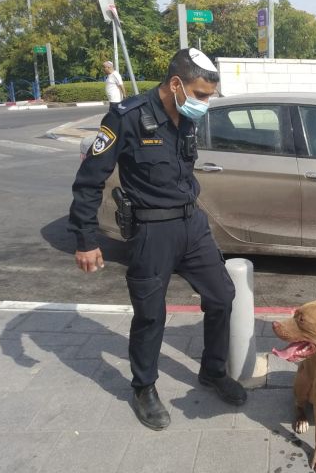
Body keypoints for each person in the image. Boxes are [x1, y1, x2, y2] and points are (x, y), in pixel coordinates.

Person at [69, 48, 246, 431]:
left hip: (191, 225)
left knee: (222, 296)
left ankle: (212, 371)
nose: (205, 103)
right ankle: (144, 387)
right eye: (201, 94)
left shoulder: (186, 116)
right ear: (177, 84)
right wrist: (85, 239)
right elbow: (89, 182)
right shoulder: (126, 117)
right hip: (152, 232)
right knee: (151, 315)